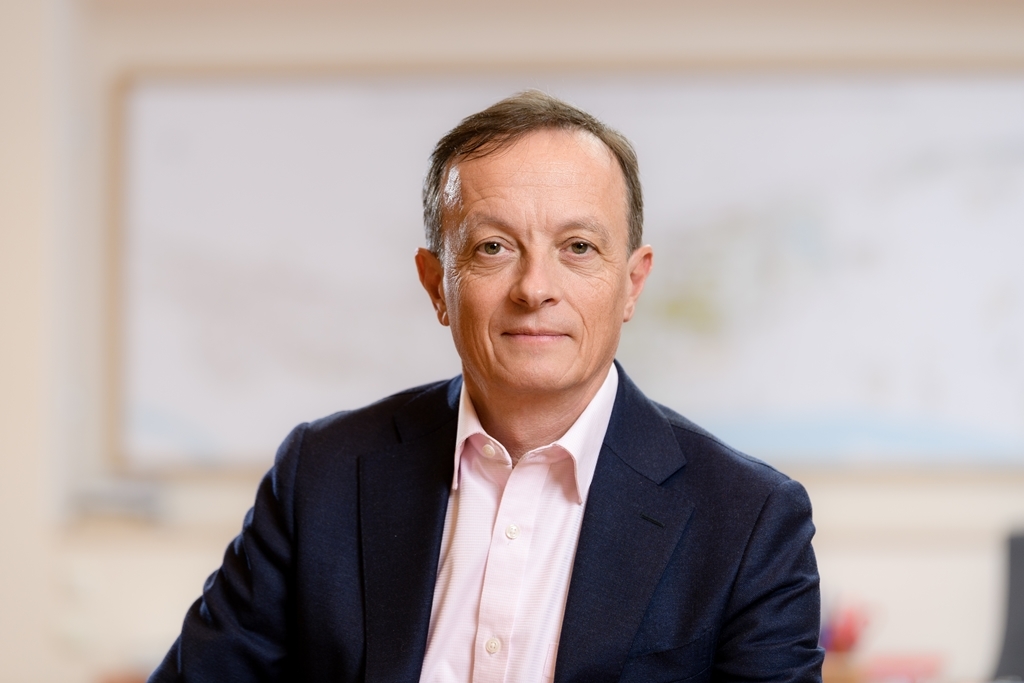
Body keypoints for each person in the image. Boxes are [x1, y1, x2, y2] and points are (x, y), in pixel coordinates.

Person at [150, 90, 823, 682]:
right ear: (435, 284)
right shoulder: (321, 474)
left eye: (578, 247)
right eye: (492, 247)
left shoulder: (751, 520)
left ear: (632, 283)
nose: (535, 289)